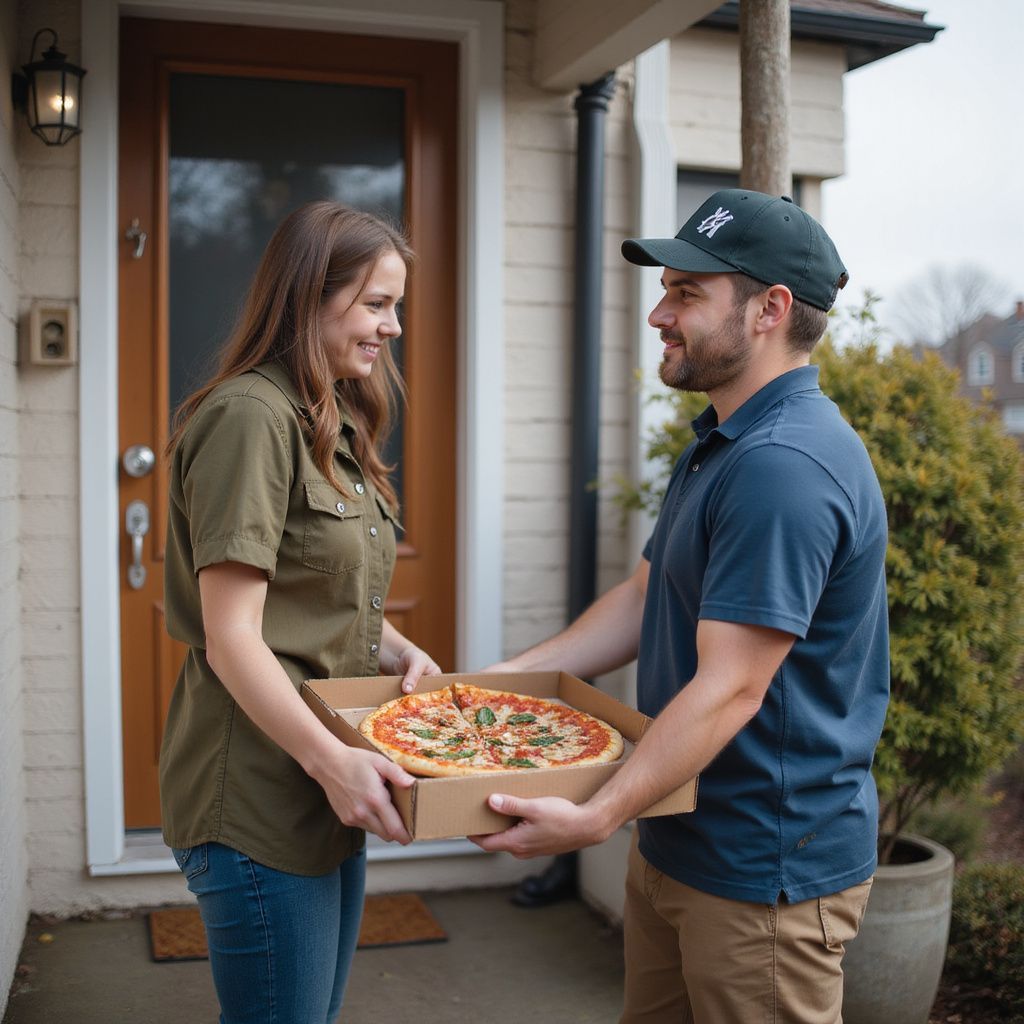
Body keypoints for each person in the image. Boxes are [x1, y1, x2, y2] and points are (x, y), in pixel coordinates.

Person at [474, 189, 889, 1023]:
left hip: (759, 868)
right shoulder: (723, 439)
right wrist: (501, 681)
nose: (660, 313)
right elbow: (643, 594)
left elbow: (733, 686)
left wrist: (595, 817)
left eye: (688, 293)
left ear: (771, 309)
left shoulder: (785, 466)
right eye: (666, 289)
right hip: (675, 831)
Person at [160, 201, 441, 1024]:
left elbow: (311, 584)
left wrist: (393, 649)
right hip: (259, 793)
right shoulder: (250, 418)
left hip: (321, 778)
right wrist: (331, 760)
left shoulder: (331, 416)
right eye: (376, 304)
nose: (393, 328)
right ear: (309, 297)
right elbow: (232, 636)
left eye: (397, 306)